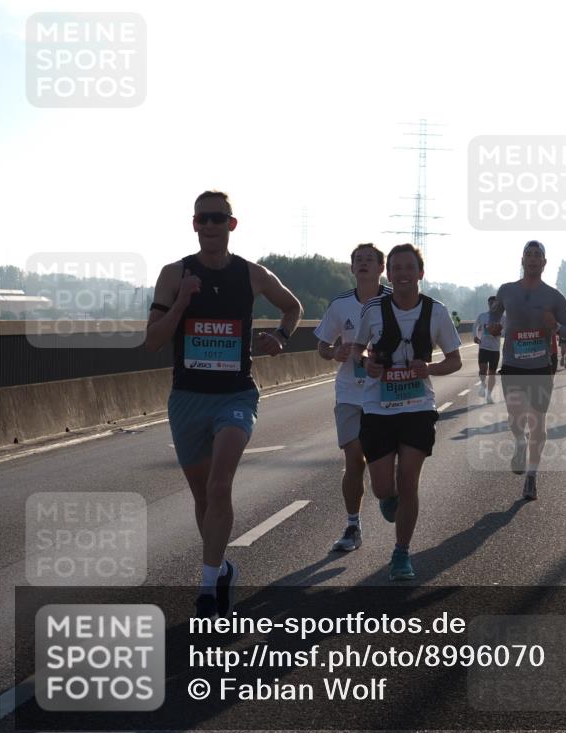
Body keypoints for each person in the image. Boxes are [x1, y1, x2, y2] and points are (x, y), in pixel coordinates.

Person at [145, 190, 302, 618]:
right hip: (187, 399)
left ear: (232, 225)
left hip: (235, 395)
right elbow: (153, 340)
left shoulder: (253, 275)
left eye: (218, 219)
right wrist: (182, 300)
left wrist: (281, 338)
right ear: (194, 225)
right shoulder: (173, 274)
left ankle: (206, 587)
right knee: (203, 497)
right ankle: (223, 567)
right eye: (203, 219)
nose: (210, 226)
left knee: (219, 485)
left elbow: (293, 307)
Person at [352, 244, 462, 580]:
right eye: (396, 268)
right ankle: (390, 499)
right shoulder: (373, 309)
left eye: (408, 267)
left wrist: (428, 368)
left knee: (409, 479)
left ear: (420, 273)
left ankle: (402, 553)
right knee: (384, 487)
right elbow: (357, 351)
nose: (402, 274)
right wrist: (366, 363)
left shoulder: (437, 312)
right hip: (378, 408)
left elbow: (455, 360)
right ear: (390, 273)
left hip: (418, 407)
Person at [487, 240, 566, 500]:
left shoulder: (553, 296)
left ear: (544, 263)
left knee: (537, 422)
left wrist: (557, 328)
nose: (533, 258)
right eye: (529, 254)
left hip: (540, 366)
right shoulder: (506, 290)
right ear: (522, 260)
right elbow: (494, 315)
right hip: (513, 364)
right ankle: (519, 442)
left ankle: (531, 476)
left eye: (538, 255)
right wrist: (494, 326)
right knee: (516, 418)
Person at [315, 243, 390, 553]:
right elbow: (322, 346)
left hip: (387, 392)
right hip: (349, 393)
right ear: (351, 268)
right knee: (354, 458)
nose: (363, 264)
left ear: (380, 268)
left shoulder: (394, 301)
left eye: (369, 260)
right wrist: (335, 352)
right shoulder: (340, 305)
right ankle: (352, 525)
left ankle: (388, 488)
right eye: (358, 260)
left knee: (382, 462)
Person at [473, 295, 503, 403]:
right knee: (482, 370)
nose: (492, 305)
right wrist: (475, 336)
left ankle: (489, 395)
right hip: (484, 347)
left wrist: (499, 331)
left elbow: (506, 331)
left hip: (495, 349)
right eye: (490, 303)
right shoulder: (482, 316)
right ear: (488, 304)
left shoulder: (501, 317)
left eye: (494, 303)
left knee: (492, 373)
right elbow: (475, 326)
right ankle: (482, 384)